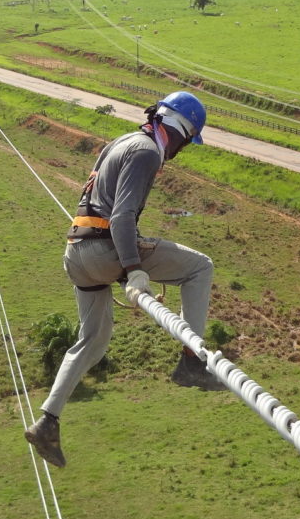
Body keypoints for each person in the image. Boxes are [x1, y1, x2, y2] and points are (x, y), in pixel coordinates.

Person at [24, 91, 226, 469]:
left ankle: (47, 421)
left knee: (93, 341)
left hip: (77, 254)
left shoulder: (121, 141)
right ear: (181, 129)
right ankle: (190, 363)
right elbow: (121, 218)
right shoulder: (148, 151)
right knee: (200, 267)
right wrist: (132, 268)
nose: (183, 150)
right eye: (188, 140)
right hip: (105, 249)